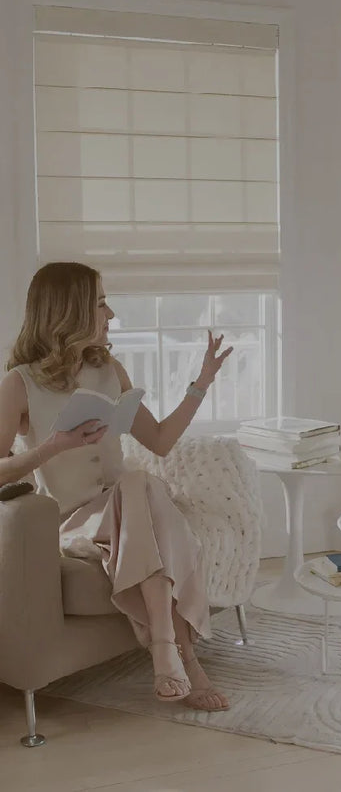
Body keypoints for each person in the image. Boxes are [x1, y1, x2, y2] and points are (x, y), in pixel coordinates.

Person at [0, 262, 234, 711]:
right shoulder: (20, 383)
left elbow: (160, 441)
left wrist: (201, 385)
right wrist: (53, 447)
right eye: (102, 303)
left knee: (138, 485)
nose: (111, 314)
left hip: (130, 510)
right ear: (70, 311)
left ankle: (165, 649)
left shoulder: (110, 369)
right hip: (73, 521)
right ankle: (184, 656)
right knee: (139, 488)